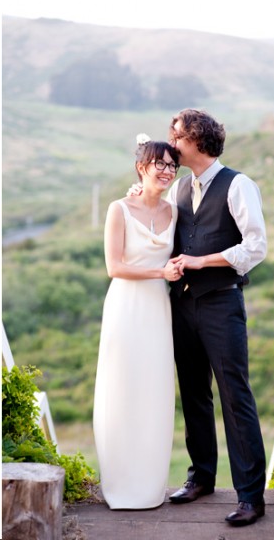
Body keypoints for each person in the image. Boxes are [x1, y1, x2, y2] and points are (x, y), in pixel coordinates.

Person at [165, 109, 268, 526]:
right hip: (182, 305)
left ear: (196, 139)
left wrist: (202, 261)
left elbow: (255, 246)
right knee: (193, 392)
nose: (170, 142)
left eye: (175, 135)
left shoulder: (238, 185)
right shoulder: (178, 189)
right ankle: (201, 478)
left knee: (234, 396)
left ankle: (250, 498)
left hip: (222, 303)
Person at [93, 136, 182, 509]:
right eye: (158, 164)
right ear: (142, 167)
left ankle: (149, 487)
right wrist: (161, 272)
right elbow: (115, 267)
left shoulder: (175, 211)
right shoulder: (119, 208)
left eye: (171, 166)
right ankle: (119, 486)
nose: (165, 171)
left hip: (158, 314)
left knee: (154, 394)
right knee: (121, 390)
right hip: (126, 309)